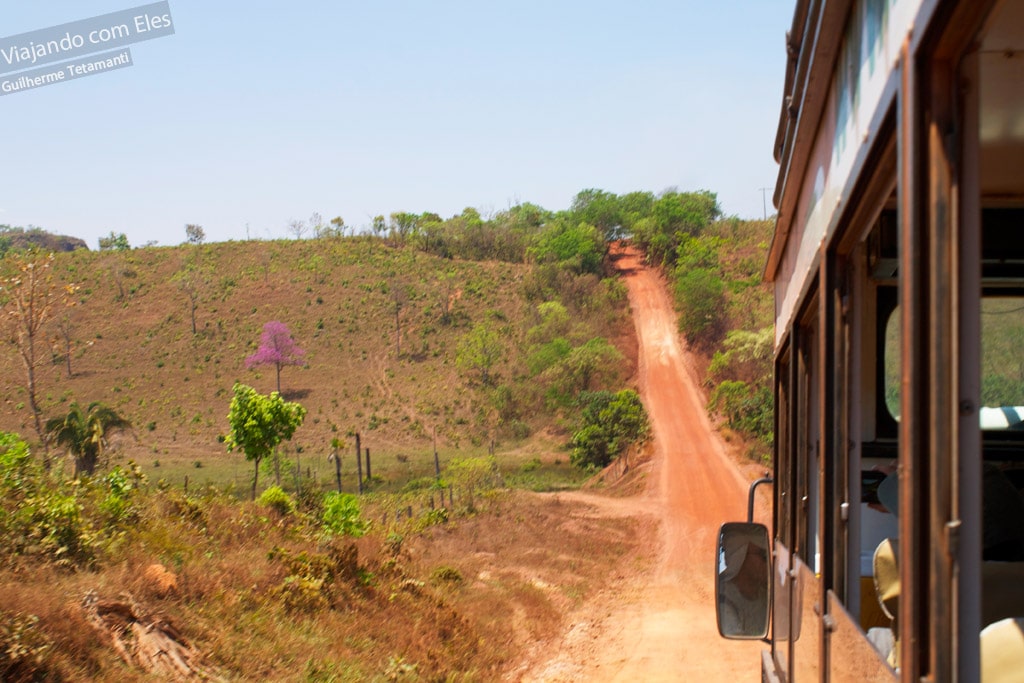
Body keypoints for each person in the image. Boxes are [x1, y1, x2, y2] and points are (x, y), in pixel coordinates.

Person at [718, 531, 770, 637]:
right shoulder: (725, 603)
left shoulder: (768, 594)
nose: (769, 563)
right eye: (764, 556)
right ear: (740, 557)